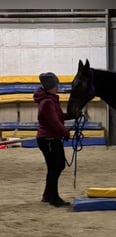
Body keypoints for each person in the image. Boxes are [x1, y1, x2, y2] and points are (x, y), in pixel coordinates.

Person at [33, 72, 71, 207]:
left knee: (53, 167)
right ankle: (54, 198)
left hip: (49, 138)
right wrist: (66, 133)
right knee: (57, 166)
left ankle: (48, 195)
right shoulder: (48, 102)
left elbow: (58, 117)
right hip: (49, 139)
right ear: (50, 86)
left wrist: (72, 115)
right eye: (56, 85)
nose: (57, 87)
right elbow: (54, 122)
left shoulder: (50, 100)